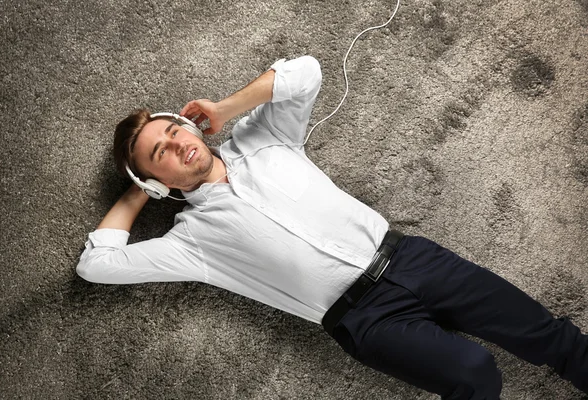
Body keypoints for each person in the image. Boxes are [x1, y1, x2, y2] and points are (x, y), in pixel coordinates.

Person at [77, 55, 588, 399]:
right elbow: (96, 264)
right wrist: (139, 191)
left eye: (173, 129)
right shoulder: (191, 242)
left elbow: (306, 71)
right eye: (158, 153)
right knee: (475, 373)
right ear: (156, 180)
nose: (175, 142)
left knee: (551, 337)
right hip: (365, 319)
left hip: (412, 259)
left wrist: (226, 108)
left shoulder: (265, 139)